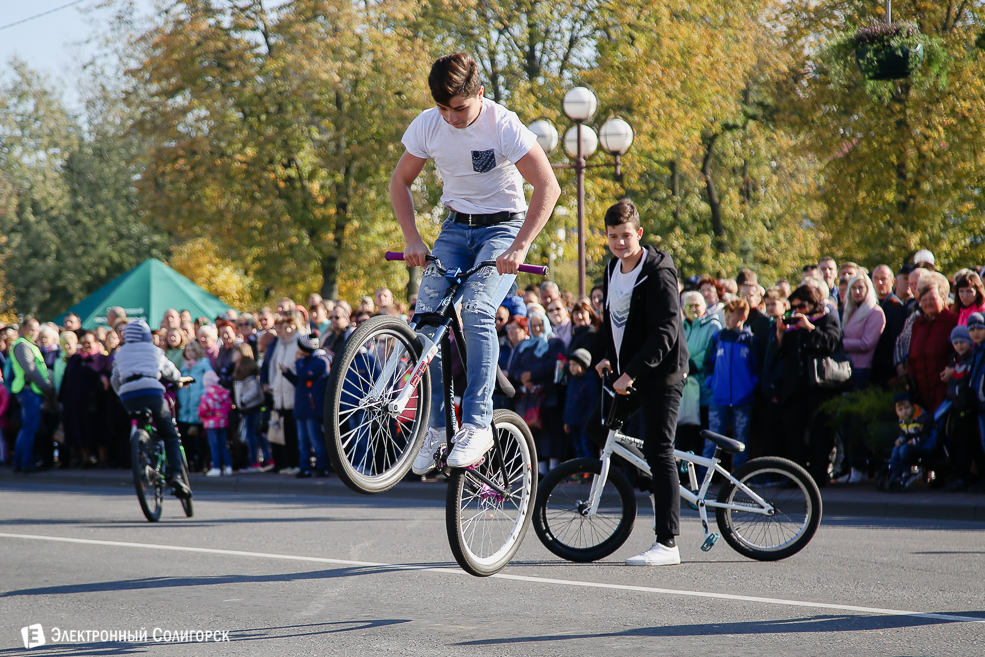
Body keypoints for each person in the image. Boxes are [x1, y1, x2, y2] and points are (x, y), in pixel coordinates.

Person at [390, 52, 560, 474]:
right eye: (443, 108)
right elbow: (400, 181)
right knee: (426, 319)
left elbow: (548, 185)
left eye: (459, 108)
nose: (451, 117)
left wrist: (520, 247)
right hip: (454, 230)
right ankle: (433, 428)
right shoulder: (429, 124)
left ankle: (478, 422)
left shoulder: (502, 124)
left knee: (477, 308)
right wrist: (412, 237)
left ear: (479, 94)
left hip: (503, 229)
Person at [593, 200, 689, 567]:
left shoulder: (658, 271)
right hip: (629, 372)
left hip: (661, 372)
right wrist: (608, 357)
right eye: (614, 236)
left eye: (626, 236)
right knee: (598, 429)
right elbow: (614, 321)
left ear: (640, 234)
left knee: (659, 450)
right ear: (607, 236)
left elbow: (666, 331)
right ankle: (652, 490)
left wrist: (630, 372)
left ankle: (667, 543)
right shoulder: (612, 268)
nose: (620, 243)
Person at [109, 320, 191, 497]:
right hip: (152, 392)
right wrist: (179, 380)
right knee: (170, 435)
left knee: (140, 422)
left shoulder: (120, 353)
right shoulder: (155, 350)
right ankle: (176, 475)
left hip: (128, 396)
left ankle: (144, 450)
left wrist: (122, 394)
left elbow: (114, 379)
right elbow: (172, 372)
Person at [773, 283, 842, 485]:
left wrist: (810, 328)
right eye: (793, 307)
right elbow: (780, 354)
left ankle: (819, 476)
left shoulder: (827, 317)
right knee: (793, 432)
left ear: (813, 303)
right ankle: (795, 476)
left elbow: (832, 343)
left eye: (801, 306)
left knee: (820, 433)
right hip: (795, 387)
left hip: (820, 387)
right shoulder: (792, 325)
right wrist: (779, 334)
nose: (797, 311)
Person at [702, 299, 757, 471]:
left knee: (741, 440)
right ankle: (704, 475)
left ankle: (739, 476)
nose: (726, 318)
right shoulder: (718, 337)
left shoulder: (750, 340)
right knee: (713, 439)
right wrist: (712, 382)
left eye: (730, 315)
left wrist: (750, 386)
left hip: (743, 399)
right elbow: (707, 364)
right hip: (719, 398)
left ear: (742, 317)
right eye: (725, 314)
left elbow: (756, 367)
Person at [907, 272, 958, 414]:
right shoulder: (918, 324)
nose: (928, 303)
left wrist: (953, 368)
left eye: (932, 299)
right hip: (921, 393)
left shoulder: (953, 321)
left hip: (944, 391)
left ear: (943, 298)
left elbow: (962, 351)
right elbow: (912, 356)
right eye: (924, 300)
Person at [282, 334, 331, 477]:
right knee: (302, 440)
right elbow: (300, 381)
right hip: (302, 406)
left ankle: (322, 466)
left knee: (315, 439)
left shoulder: (321, 361)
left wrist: (298, 361)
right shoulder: (305, 361)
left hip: (313, 408)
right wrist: (287, 374)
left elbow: (304, 375)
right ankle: (305, 466)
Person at [8, 319, 53, 473]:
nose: (34, 332)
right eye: (31, 329)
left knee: (27, 428)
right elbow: (31, 369)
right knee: (29, 428)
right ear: (23, 328)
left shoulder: (28, 344)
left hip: (30, 390)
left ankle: (20, 462)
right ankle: (25, 462)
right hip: (29, 391)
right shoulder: (22, 345)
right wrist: (45, 387)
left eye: (36, 329)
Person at [678, 291, 720, 455]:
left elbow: (708, 352)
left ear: (704, 306)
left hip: (704, 390)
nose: (693, 308)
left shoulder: (713, 326)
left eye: (697, 305)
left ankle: (704, 474)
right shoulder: (681, 326)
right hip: (685, 390)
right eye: (689, 305)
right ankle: (685, 475)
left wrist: (688, 365)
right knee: (685, 433)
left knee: (703, 432)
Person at [939, 325, 978, 491]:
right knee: (957, 442)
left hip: (969, 408)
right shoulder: (956, 360)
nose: (959, 345)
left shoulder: (973, 358)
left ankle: (966, 477)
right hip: (956, 407)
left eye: (963, 341)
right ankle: (960, 475)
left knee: (970, 444)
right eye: (956, 343)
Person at [841, 273, 886, 392]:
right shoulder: (851, 311)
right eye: (853, 288)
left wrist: (840, 343)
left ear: (868, 289)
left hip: (862, 368)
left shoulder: (875, 312)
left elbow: (867, 343)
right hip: (847, 366)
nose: (857, 291)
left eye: (860, 288)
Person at [231, 343, 271, 473]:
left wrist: (243, 401)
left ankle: (255, 462)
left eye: (235, 352)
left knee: (252, 434)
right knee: (256, 434)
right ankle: (267, 458)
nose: (233, 355)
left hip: (252, 407)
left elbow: (254, 390)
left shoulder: (246, 370)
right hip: (247, 408)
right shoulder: (240, 369)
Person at [883, 393, 934, 492]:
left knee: (903, 449)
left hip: (920, 443)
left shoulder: (922, 418)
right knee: (895, 449)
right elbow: (903, 433)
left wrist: (914, 441)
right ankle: (895, 472)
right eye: (900, 410)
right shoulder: (902, 420)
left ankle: (907, 471)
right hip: (908, 442)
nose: (904, 412)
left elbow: (927, 434)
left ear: (912, 406)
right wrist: (901, 439)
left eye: (907, 408)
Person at [177, 341, 213, 472]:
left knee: (200, 440)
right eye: (188, 351)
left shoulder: (204, 366)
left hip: (199, 409)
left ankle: (201, 463)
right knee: (186, 440)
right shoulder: (183, 368)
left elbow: (209, 384)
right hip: (184, 410)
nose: (190, 353)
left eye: (193, 350)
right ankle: (189, 463)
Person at [871, 265, 908, 388]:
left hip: (887, 372)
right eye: (876, 278)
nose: (879, 283)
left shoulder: (896, 307)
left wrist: (893, 372)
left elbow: (895, 342)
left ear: (893, 282)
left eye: (883, 279)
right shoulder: (869, 305)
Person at [563, 348, 600, 459]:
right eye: (570, 365)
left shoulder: (590, 382)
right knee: (578, 447)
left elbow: (592, 404)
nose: (571, 368)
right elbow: (568, 401)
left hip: (585, 423)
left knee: (587, 447)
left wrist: (588, 421)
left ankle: (589, 471)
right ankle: (580, 470)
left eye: (575, 364)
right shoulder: (573, 380)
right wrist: (567, 420)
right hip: (573, 421)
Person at [199, 370, 233, 476]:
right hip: (223, 423)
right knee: (223, 445)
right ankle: (228, 466)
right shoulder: (224, 393)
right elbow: (229, 408)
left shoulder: (207, 395)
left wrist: (203, 415)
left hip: (211, 424)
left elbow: (203, 410)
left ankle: (217, 467)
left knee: (214, 446)